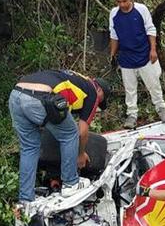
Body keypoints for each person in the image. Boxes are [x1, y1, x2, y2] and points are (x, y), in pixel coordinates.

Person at [9, 70, 111, 214]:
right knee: (70, 134)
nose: (98, 105)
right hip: (41, 96)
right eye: (101, 101)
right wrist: (80, 154)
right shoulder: (92, 92)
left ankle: (26, 199)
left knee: (29, 147)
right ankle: (70, 183)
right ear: (99, 90)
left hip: (16, 94)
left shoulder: (76, 81)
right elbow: (82, 132)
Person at [108, 0, 165, 128]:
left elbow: (150, 29)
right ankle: (132, 114)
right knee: (130, 89)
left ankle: (161, 109)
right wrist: (112, 54)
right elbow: (114, 35)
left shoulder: (141, 10)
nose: (122, 4)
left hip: (144, 54)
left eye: (125, 1)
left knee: (153, 84)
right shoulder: (114, 13)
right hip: (126, 57)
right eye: (119, 2)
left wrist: (153, 50)